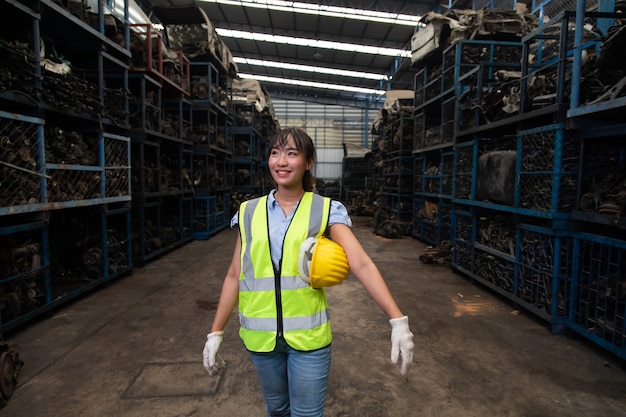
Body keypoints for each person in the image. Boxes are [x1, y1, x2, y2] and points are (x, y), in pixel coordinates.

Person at [203, 127, 414, 417]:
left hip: (309, 339)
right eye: (275, 153)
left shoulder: (326, 210)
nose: (281, 162)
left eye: (292, 154)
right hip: (260, 339)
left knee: (307, 414)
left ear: (309, 162)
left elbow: (361, 263)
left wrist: (397, 319)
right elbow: (233, 274)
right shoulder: (249, 212)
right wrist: (216, 332)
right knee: (276, 409)